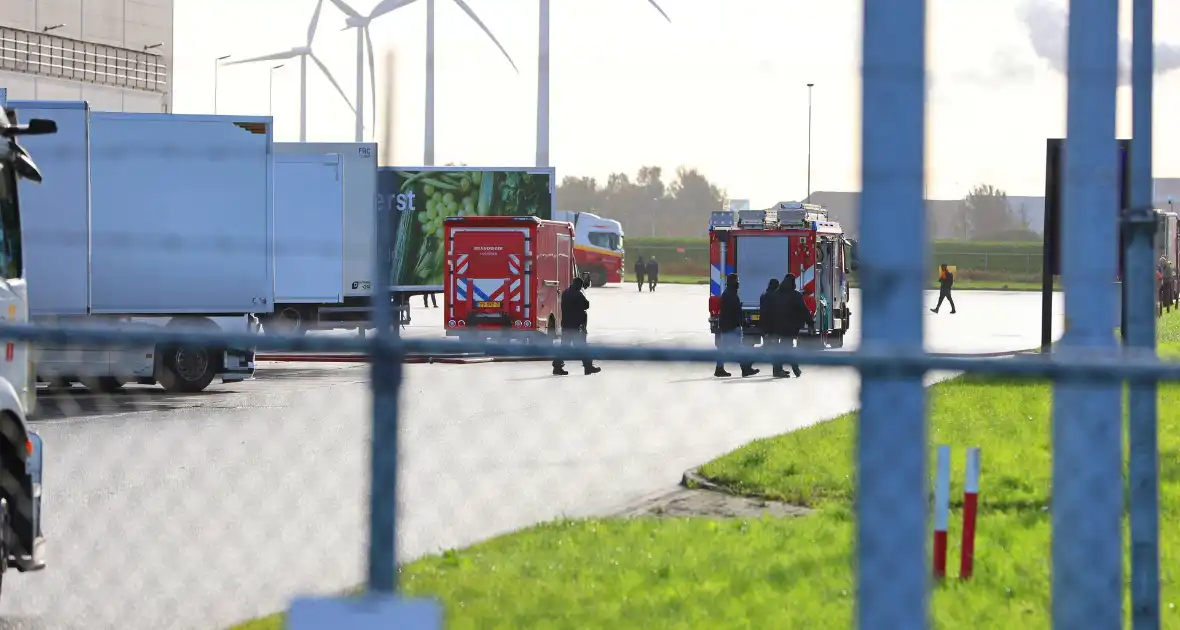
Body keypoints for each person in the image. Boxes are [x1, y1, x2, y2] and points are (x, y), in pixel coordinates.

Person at [553, 277, 601, 376]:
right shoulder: (578, 294)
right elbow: (586, 305)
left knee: (564, 346)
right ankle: (588, 367)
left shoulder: (565, 292)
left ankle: (557, 366)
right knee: (582, 346)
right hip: (576, 325)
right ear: (579, 285)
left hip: (566, 324)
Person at [715, 273, 758, 378]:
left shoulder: (729, 294)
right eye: (737, 281)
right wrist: (740, 324)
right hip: (732, 327)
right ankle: (745, 369)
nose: (738, 283)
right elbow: (733, 313)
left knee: (725, 349)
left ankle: (720, 369)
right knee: (738, 349)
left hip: (728, 326)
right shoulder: (731, 295)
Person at [773, 274, 813, 378]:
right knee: (787, 347)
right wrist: (810, 323)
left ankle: (778, 369)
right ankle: (793, 369)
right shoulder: (795, 295)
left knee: (782, 346)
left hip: (777, 325)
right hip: (790, 326)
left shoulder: (776, 294)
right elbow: (803, 310)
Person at [759, 278, 781, 373]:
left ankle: (778, 368)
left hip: (765, 325)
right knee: (774, 348)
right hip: (773, 326)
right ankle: (777, 370)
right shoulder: (775, 296)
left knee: (769, 347)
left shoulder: (763, 295)